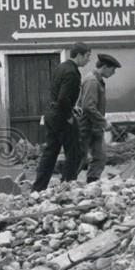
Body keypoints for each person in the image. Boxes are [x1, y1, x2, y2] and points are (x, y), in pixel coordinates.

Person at [31, 43, 92, 191]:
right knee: (74, 151)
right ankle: (68, 184)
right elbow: (63, 98)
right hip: (61, 116)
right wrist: (68, 116)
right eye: (87, 57)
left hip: (52, 114)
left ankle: (38, 188)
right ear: (79, 55)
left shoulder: (61, 67)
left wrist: (72, 107)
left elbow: (59, 94)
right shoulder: (72, 72)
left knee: (50, 152)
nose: (88, 60)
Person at [78, 53, 121, 183]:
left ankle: (92, 184)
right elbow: (88, 106)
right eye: (112, 69)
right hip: (86, 127)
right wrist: (104, 122)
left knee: (100, 157)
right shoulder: (92, 81)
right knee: (80, 158)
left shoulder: (97, 80)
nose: (113, 73)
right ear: (105, 67)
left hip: (94, 126)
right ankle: (67, 184)